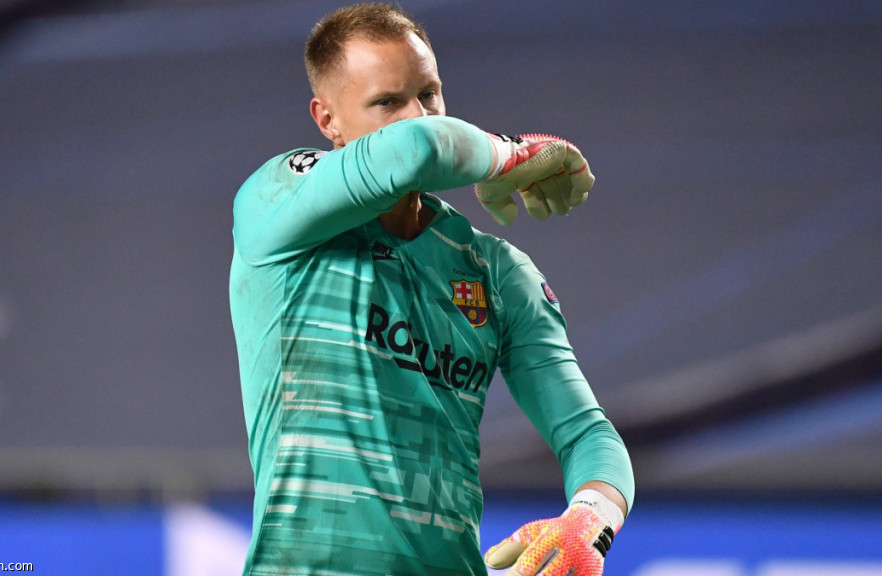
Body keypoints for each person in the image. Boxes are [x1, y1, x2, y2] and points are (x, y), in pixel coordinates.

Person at [229, 4, 634, 575]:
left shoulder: (496, 270)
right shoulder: (276, 206)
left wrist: (589, 519)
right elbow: (419, 147)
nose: (417, 115)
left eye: (429, 94)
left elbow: (587, 435)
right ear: (327, 119)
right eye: (387, 102)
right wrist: (510, 154)